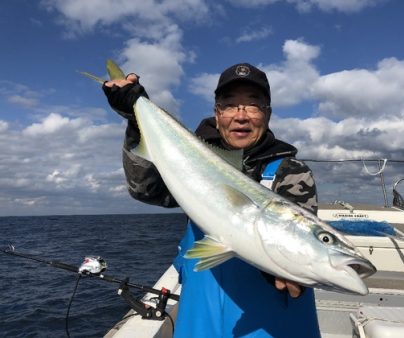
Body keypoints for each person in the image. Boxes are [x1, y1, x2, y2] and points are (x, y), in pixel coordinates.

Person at [103, 63, 321, 337]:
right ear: (217, 115)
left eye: (252, 105)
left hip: (270, 325)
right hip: (200, 322)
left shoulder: (290, 171)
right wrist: (137, 120)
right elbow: (145, 190)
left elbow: (298, 238)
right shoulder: (192, 164)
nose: (241, 116)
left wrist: (287, 269)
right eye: (230, 105)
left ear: (267, 114)